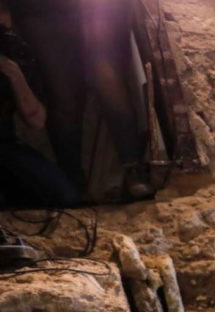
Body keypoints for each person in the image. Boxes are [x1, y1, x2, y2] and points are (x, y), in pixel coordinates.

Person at [8, 0, 151, 199]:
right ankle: (72, 179)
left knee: (108, 79)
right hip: (39, 10)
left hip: (94, 7)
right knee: (63, 94)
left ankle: (133, 166)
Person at [0, 0, 77, 207]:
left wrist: (12, 72)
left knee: (62, 195)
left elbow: (37, 120)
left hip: (4, 144)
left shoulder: (15, 52)